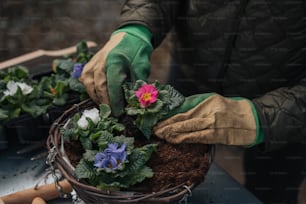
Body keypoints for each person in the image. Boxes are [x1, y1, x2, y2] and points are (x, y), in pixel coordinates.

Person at [80, 1, 306, 203]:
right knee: (168, 168)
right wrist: (136, 26)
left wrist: (265, 118)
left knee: (272, 191)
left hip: (287, 99)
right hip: (193, 67)